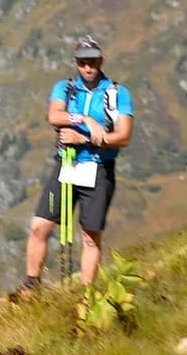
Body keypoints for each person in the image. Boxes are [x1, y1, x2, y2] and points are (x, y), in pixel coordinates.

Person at [16, 34, 132, 294]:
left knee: (90, 236)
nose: (88, 68)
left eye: (92, 62)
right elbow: (53, 115)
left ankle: (86, 294)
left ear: (101, 61)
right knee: (40, 226)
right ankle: (31, 286)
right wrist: (85, 120)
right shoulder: (65, 88)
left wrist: (85, 136)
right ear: (76, 63)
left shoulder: (117, 93)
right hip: (67, 164)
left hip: (99, 168)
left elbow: (123, 136)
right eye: (82, 63)